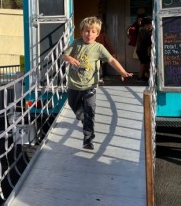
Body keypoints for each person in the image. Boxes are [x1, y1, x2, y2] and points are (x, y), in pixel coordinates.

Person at [62, 16, 133, 150]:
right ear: (81, 32)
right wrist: (69, 58)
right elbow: (63, 55)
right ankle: (83, 118)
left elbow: (111, 60)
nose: (89, 34)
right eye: (86, 31)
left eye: (93, 32)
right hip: (74, 84)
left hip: (90, 85)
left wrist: (122, 72)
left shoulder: (99, 47)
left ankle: (88, 139)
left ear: (97, 33)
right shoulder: (76, 43)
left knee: (90, 110)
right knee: (74, 105)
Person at [136, 17, 153, 82]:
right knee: (143, 63)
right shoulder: (143, 31)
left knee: (145, 63)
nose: (151, 26)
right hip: (141, 50)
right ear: (146, 25)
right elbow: (147, 40)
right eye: (150, 24)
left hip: (141, 50)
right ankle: (139, 77)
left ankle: (143, 76)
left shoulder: (143, 30)